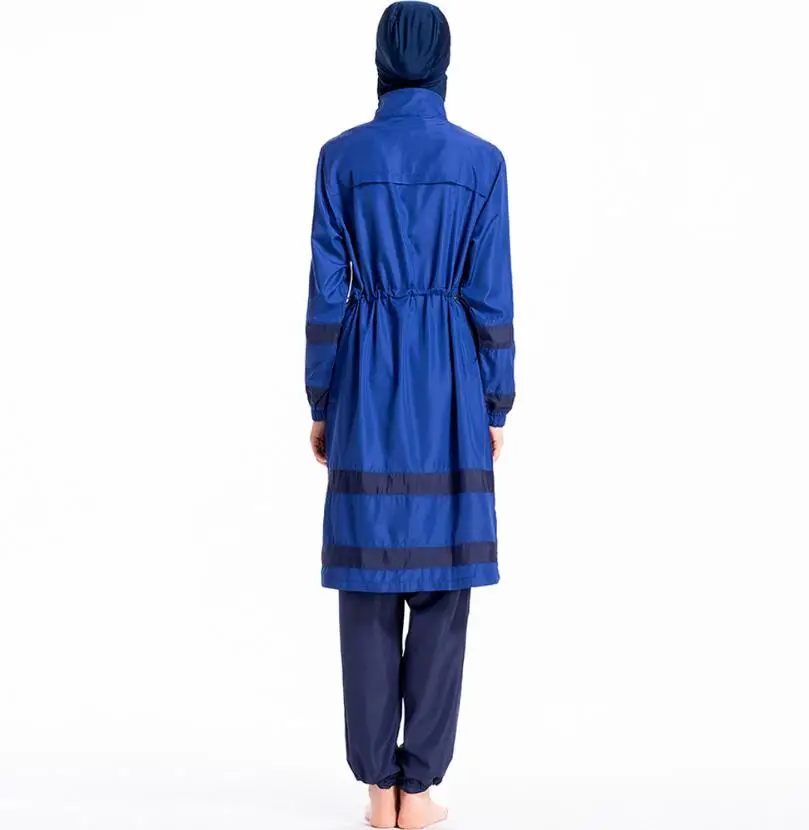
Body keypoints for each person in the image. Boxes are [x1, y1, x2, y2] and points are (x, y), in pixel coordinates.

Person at [304, 3, 515, 827]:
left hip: (364, 375)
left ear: (381, 62)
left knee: (367, 585)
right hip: (450, 379)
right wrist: (494, 399)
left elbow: (327, 290)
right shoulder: (481, 162)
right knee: (441, 584)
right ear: (443, 65)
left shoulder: (340, 157)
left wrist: (322, 398)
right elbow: (489, 292)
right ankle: (418, 790)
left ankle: (376, 789)